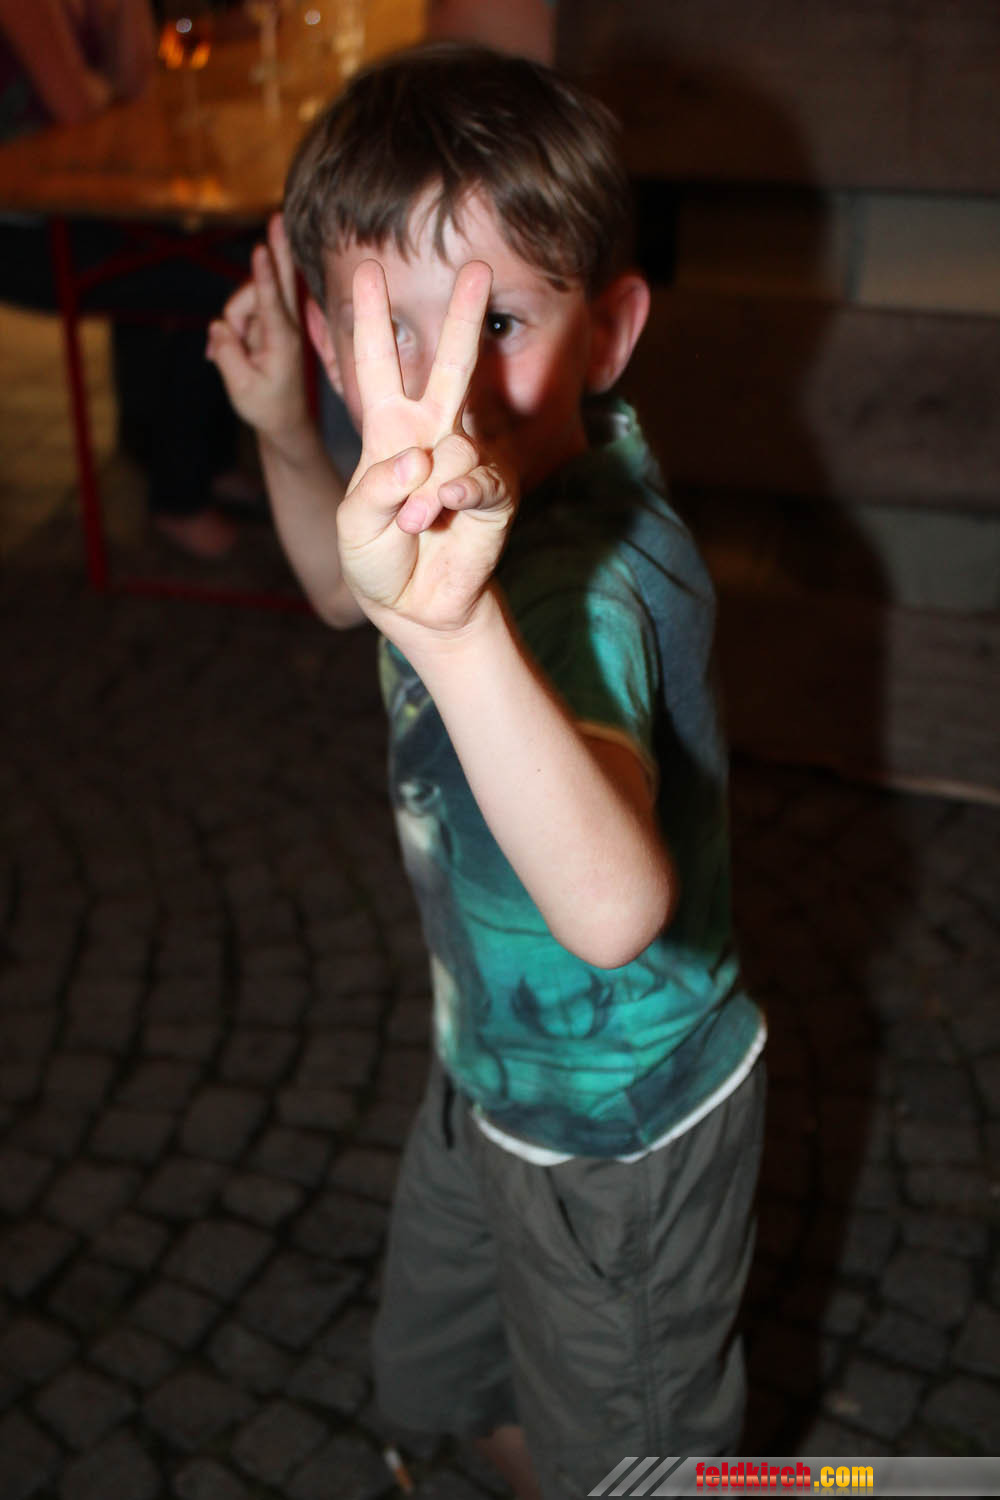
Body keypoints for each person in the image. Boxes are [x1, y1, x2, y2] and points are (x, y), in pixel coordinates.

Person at [208, 44, 766, 1498]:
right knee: (450, 1365)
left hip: (621, 1130)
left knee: (633, 1462)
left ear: (609, 331)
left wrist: (458, 636)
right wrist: (284, 433)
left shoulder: (587, 575)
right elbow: (339, 593)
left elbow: (613, 908)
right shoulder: (422, 513)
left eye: (498, 322)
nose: (445, 397)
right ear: (332, 346)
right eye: (393, 336)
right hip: (487, 1074)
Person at [0, 0, 252, 559]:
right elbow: (76, 106)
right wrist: (105, 93)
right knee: (221, 282)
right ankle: (179, 495)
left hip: (83, 206)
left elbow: (138, 88)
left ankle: (208, 462)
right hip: (23, 229)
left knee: (228, 255)